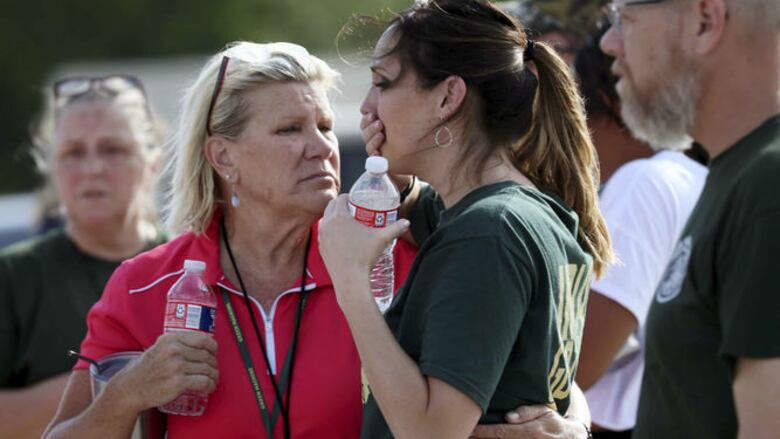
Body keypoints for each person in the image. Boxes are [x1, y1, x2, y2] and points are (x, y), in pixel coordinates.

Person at [43, 41, 565, 439]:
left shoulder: (394, 256)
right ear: (223, 157)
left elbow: (521, 390)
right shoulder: (145, 284)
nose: (321, 148)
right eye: (289, 130)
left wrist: (568, 423)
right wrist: (128, 393)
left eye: (324, 125)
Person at [318, 1, 612, 438]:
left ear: (448, 97)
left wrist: (351, 283)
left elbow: (430, 433)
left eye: (382, 83)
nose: (366, 107)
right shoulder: (522, 212)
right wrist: (391, 182)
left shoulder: (487, 232)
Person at [599, 0, 780, 437]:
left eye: (625, 18)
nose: (609, 43)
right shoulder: (738, 173)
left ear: (704, 22)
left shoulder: (768, 183)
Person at [0, 75, 165, 438]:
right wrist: (108, 385)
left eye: (112, 149)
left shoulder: (193, 266)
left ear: (153, 160)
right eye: (74, 153)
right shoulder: (13, 276)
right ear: (48, 165)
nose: (92, 168)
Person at [571, 23, 707, 438]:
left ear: (610, 102)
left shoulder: (644, 183)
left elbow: (576, 366)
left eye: (574, 112)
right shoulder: (692, 176)